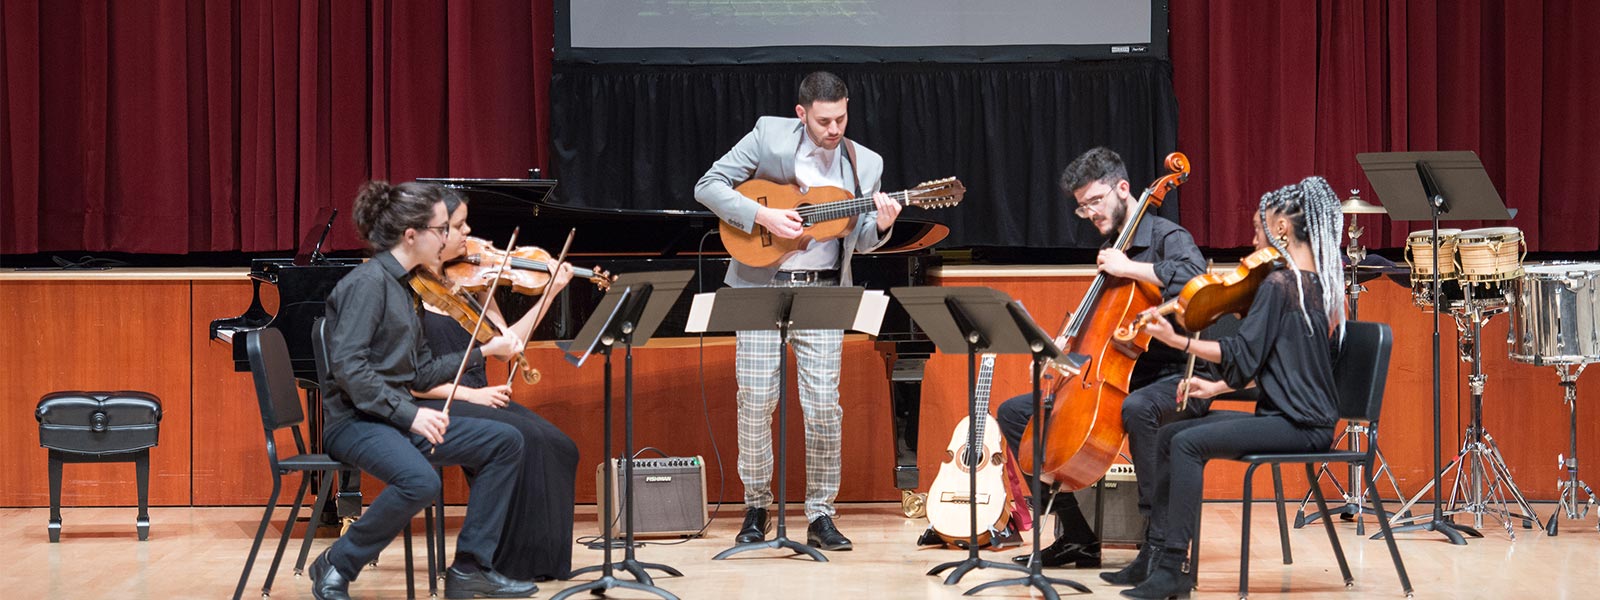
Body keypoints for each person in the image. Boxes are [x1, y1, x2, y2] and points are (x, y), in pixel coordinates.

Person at [694, 71, 903, 551]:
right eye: (824, 120)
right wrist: (762, 215)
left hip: (823, 291)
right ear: (801, 114)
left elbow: (861, 239)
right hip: (759, 286)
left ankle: (821, 514)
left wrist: (882, 224)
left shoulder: (866, 163)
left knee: (824, 406)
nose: (834, 129)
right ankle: (756, 506)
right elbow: (708, 185)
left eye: (841, 118)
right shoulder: (769, 135)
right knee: (755, 400)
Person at [1117, 176, 1345, 599]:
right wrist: (1216, 388)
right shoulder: (1311, 284)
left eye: (1259, 229)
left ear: (1281, 228)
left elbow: (1240, 351)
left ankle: (1173, 568)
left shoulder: (1281, 285)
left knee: (1186, 444)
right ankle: (1157, 555)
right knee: (1169, 435)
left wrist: (1176, 340)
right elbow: (1269, 362)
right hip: (1295, 418)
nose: (1253, 239)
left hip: (1299, 425)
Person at [308, 180, 537, 600]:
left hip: (392, 417)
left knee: (506, 441)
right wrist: (410, 414)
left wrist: (483, 351)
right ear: (411, 235)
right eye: (442, 229)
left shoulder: (407, 287)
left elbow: (421, 372)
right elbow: (350, 371)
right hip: (356, 422)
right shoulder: (367, 284)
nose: (449, 239)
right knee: (420, 482)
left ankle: (470, 568)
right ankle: (338, 562)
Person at [993, 147, 1206, 570]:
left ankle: (1161, 545)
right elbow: (1102, 333)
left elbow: (1197, 281)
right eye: (1082, 206)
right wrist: (1059, 356)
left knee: (1138, 408)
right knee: (1017, 413)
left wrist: (1131, 269)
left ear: (1122, 188)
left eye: (1095, 201)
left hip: (1175, 375)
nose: (1089, 213)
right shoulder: (1114, 248)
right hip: (1114, 374)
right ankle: (1076, 537)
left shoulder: (1166, 237)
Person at [410, 189, 581, 582]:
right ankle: (503, 563)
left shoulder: (472, 283)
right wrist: (473, 394)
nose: (470, 233)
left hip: (480, 397)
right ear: (432, 231)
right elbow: (411, 380)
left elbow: (508, 346)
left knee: (560, 445)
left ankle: (541, 562)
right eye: (458, 226)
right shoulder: (409, 292)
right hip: (437, 402)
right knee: (524, 439)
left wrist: (550, 292)